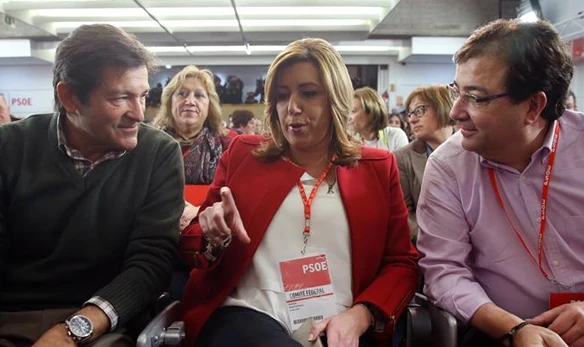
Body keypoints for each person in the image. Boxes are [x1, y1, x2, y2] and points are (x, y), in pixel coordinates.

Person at [179, 38, 419, 347]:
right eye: (281, 95)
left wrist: (361, 316)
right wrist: (214, 236)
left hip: (339, 323)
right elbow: (194, 241)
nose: (292, 107)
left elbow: (401, 263)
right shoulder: (244, 155)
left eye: (308, 93)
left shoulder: (377, 167)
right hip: (248, 316)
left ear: (336, 98)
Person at [417, 18, 584, 347]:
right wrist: (514, 328)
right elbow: (444, 271)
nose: (455, 111)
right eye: (457, 91)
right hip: (500, 331)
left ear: (533, 106)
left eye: (476, 98)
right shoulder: (448, 166)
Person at [0, 24, 184, 346]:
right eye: (120, 98)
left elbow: (150, 265)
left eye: (143, 95)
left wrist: (73, 330)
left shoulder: (158, 154)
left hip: (104, 322)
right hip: (11, 315)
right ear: (69, 97)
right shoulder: (9, 147)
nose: (139, 113)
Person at [153, 65, 237, 228]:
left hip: (209, 231)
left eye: (199, 95)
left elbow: (241, 196)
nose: (190, 101)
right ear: (170, 102)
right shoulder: (148, 143)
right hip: (156, 230)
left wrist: (200, 212)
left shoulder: (231, 143)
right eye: (181, 94)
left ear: (209, 105)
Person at [393, 85, 455, 241]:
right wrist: (436, 240)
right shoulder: (402, 157)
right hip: (428, 245)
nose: (412, 119)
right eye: (410, 113)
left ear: (443, 106)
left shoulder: (473, 149)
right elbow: (405, 214)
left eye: (419, 110)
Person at [350, 87, 408, 152]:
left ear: (371, 112)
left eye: (353, 111)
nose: (349, 117)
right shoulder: (349, 141)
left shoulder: (396, 136)